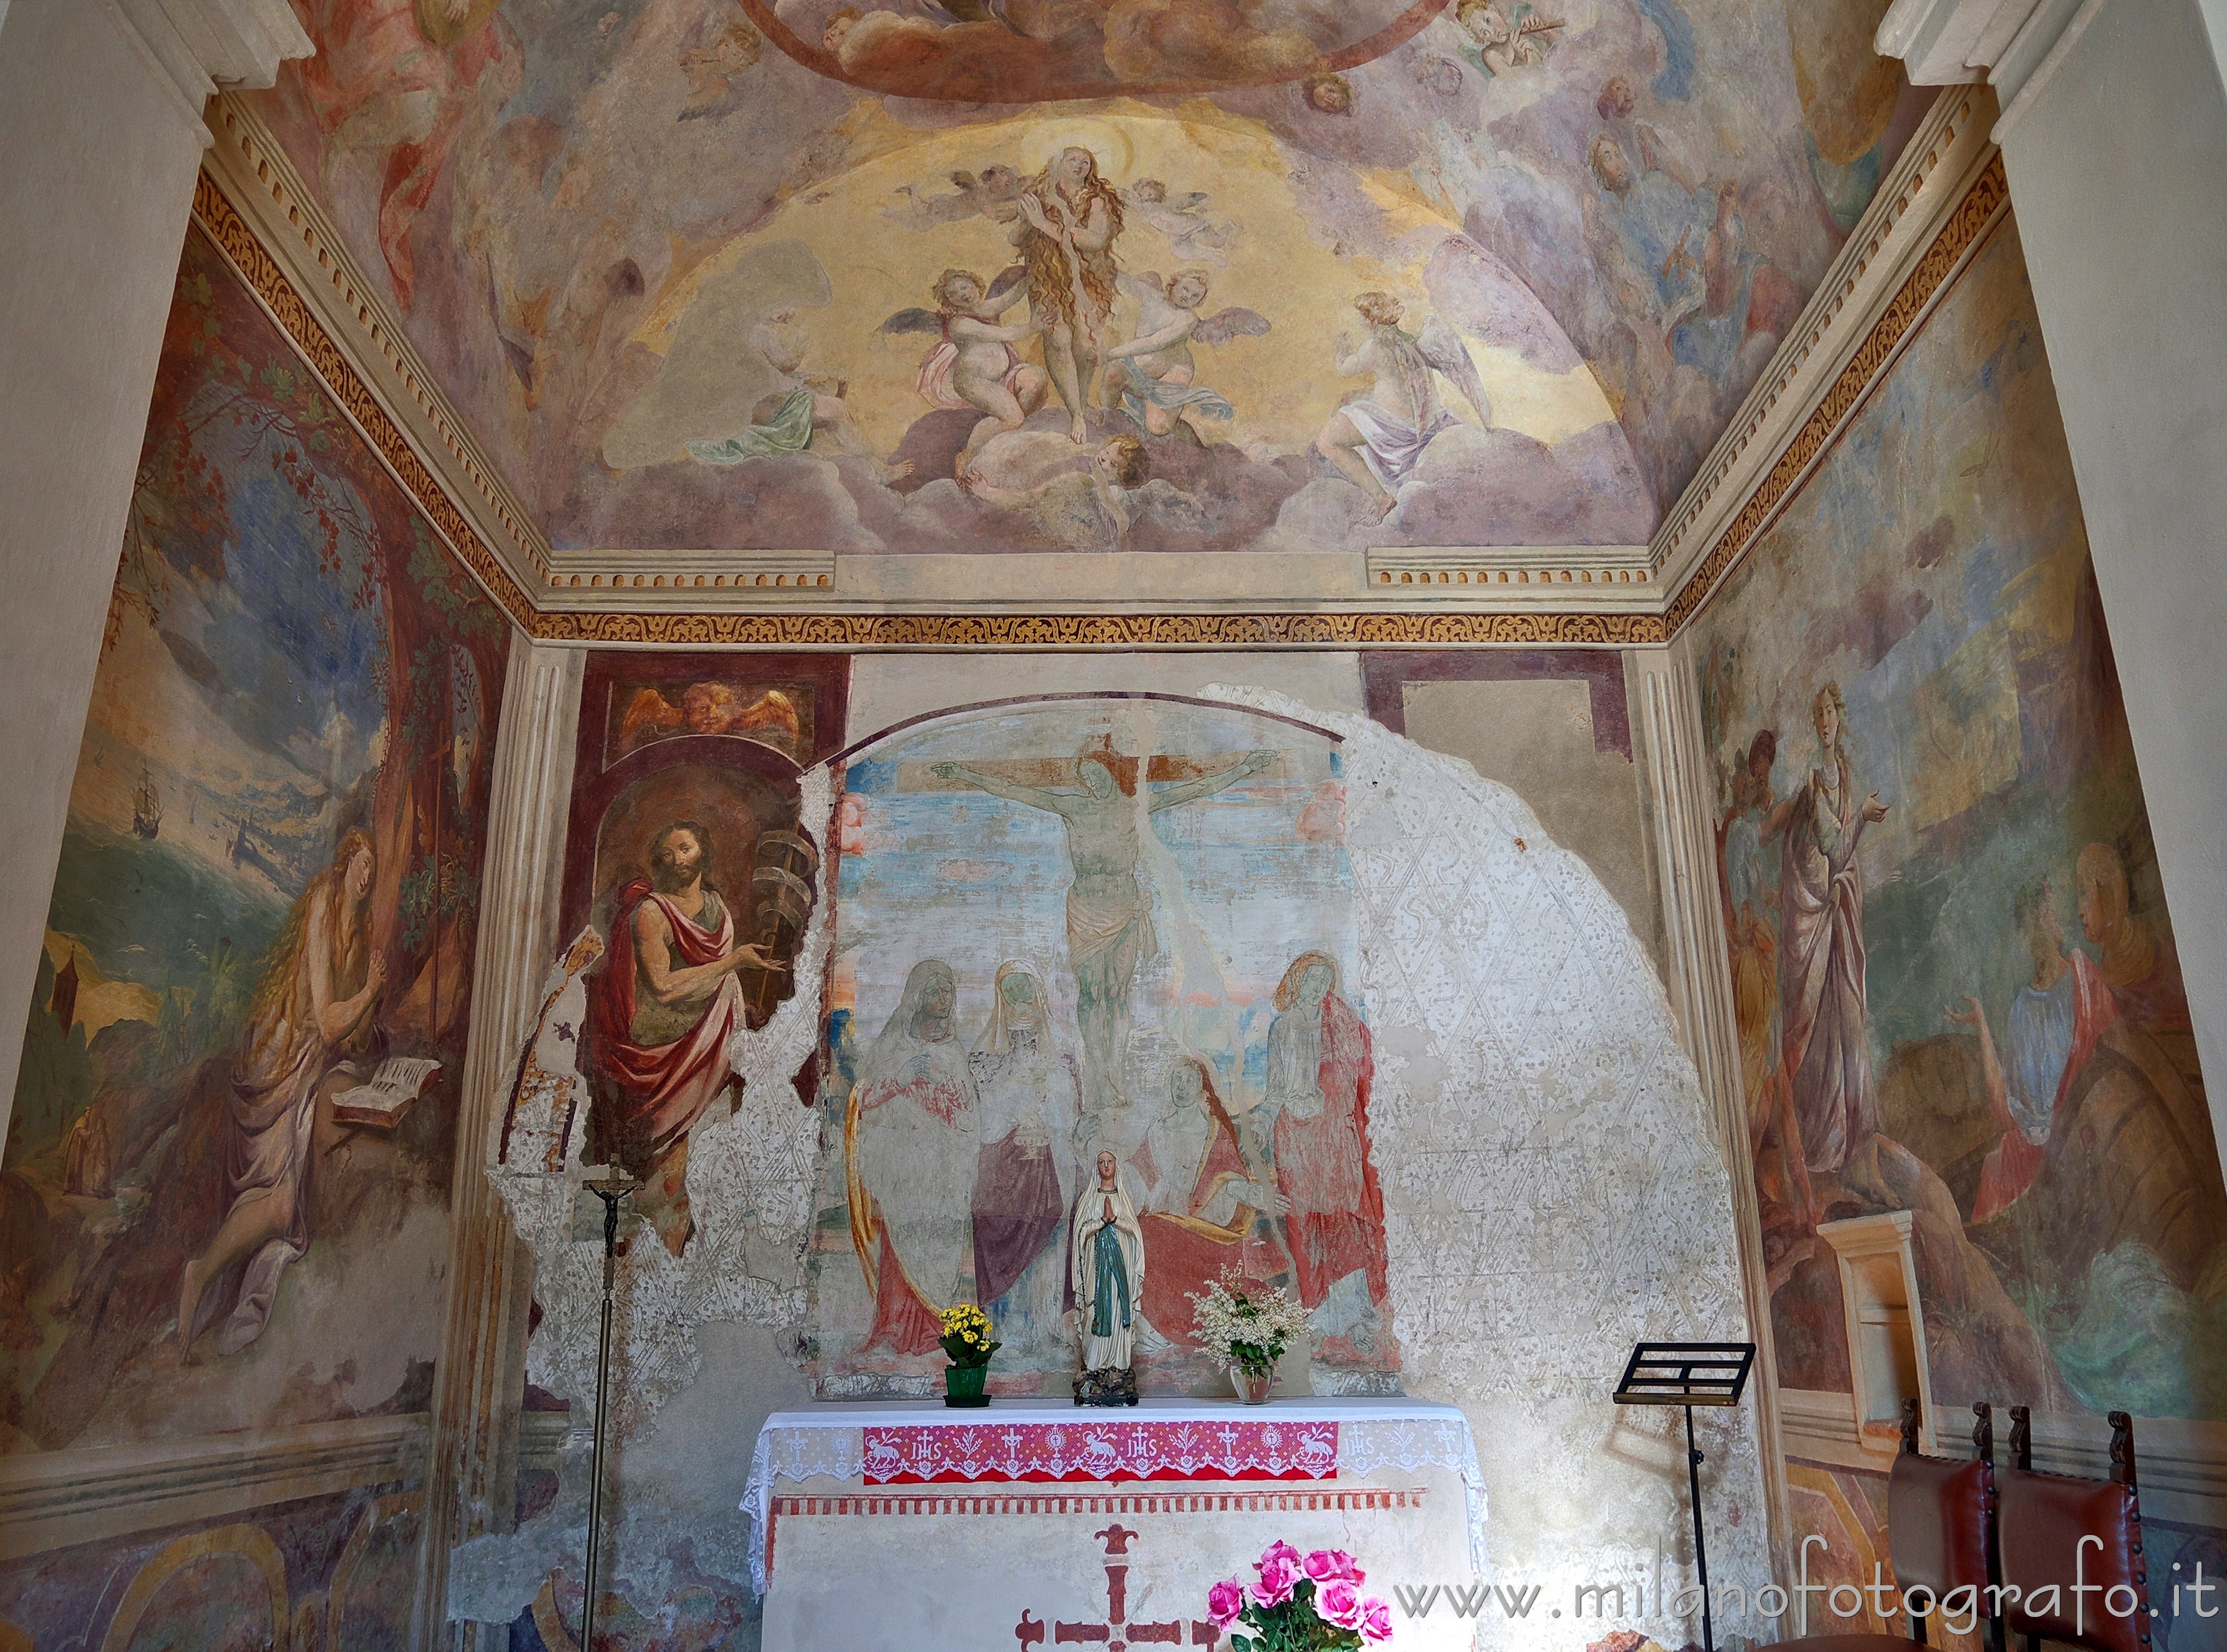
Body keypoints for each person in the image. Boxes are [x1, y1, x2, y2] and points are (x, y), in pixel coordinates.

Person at [929, 741, 1274, 1125]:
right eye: (1086, 776)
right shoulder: (1073, 807)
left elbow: (1191, 790)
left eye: (1099, 774)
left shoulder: (1132, 808)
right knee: (1092, 993)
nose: (1093, 782)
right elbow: (1019, 792)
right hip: (1086, 910)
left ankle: (1116, 1074)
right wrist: (965, 774)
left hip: (1123, 907)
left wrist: (1243, 770)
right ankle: (1097, 1079)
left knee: (1116, 994)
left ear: (1113, 774)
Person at [178, 831, 387, 1356]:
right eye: (363, 864)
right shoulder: (322, 904)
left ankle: (204, 1276)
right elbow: (328, 1021)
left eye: (373, 869)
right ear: (345, 865)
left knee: (285, 1203)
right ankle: (199, 1273)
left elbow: (351, 1032)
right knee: (278, 1207)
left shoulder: (357, 931)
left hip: (310, 1063)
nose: (368, 876)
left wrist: (369, 1008)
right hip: (278, 1060)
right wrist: (369, 994)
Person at [587, 821, 785, 1255]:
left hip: (715, 1039)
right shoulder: (652, 912)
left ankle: (693, 1258)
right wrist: (733, 962)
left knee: (709, 1157)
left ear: (703, 852)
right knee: (668, 1168)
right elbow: (661, 987)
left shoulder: (717, 908)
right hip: (663, 1047)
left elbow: (716, 980)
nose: (677, 859)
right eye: (667, 852)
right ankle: (657, 1258)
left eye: (685, 848)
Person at [1761, 682, 1889, 1218]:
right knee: (1818, 1031)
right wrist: (1859, 816)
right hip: (1818, 919)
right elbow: (1834, 848)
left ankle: (1859, 1151)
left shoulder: (1846, 777)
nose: (1824, 722)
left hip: (1841, 914)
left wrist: (1855, 817)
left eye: (1830, 712)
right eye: (1817, 715)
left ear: (1841, 716)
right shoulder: (1814, 786)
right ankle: (1823, 1147)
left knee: (1850, 1023)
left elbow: (1842, 856)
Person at [1948, 880, 2119, 1222]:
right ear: (2026, 932)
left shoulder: (2083, 980)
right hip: (2034, 1153)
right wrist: (1981, 1022)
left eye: (2048, 912)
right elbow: (2009, 1108)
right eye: (2036, 917)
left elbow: (2114, 1063)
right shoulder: (2021, 1011)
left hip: (2084, 1136)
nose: (2046, 922)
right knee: (1995, 1168)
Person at [847, 959, 979, 1356]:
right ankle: (892, 1326)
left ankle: (932, 1329)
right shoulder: (893, 1047)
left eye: (948, 993)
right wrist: (901, 1079)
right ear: (917, 997)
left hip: (942, 1174)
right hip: (903, 1172)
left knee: (938, 1249)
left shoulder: (954, 1051)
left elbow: (968, 1119)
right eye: (936, 992)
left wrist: (946, 1096)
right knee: (899, 1250)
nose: (943, 1000)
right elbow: (863, 1103)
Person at [1260, 953, 1391, 1349]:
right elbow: (1276, 1089)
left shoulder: (1338, 1025)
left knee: (1341, 1221)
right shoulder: (1282, 1028)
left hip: (1333, 1134)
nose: (1317, 988)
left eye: (1324, 981)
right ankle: (1316, 1316)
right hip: (1295, 1136)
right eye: (1311, 979)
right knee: (1303, 1223)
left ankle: (1353, 1316)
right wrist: (1259, 1135)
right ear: (1296, 981)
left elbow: (1360, 1074)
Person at [967, 962, 1083, 1351]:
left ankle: (1046, 1325)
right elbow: (979, 1115)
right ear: (1001, 998)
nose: (1019, 1000)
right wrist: (1016, 1110)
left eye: (1025, 990)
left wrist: (1045, 1121)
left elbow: (1070, 1108)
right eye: (1011, 991)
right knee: (997, 1232)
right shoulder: (985, 1054)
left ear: (1039, 994)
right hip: (1003, 1165)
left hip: (1050, 1164)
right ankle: (1006, 1331)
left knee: (1049, 1240)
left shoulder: (1060, 1049)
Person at [1134, 1057, 1283, 1346]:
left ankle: (1175, 1326)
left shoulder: (1213, 1131)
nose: (1182, 1087)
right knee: (1144, 1234)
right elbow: (1139, 1175)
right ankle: (1155, 1326)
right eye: (1177, 1080)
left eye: (1190, 1081)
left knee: (1154, 1236)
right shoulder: (1157, 1130)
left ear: (1202, 1087)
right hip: (1165, 1217)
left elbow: (1229, 1178)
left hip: (1205, 1225)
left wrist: (1255, 1194)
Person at [1010, 146, 1125, 442]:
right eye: (1073, 159)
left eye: (1086, 161)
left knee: (1086, 348)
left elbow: (1096, 241)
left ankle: (1083, 401)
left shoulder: (1098, 201)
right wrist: (1025, 220)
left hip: (1089, 278)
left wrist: (1043, 225)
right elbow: (1017, 238)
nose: (1080, 165)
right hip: (1047, 277)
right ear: (1058, 164)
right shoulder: (1040, 197)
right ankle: (1075, 413)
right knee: (1058, 338)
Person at [908, 268, 1049, 479]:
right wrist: (1035, 326)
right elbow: (1005, 333)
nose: (962, 294)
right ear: (949, 302)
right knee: (1013, 418)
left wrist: (1035, 272)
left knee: (1036, 380)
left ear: (975, 285)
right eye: (953, 294)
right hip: (973, 382)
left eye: (964, 287)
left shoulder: (986, 308)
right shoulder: (960, 324)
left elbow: (1012, 296)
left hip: (1000, 377)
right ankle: (967, 455)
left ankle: (1007, 437)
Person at [962, 434, 1149, 550]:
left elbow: (1032, 499)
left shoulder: (1103, 489)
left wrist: (987, 492)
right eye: (1107, 453)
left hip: (1070, 534)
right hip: (1063, 524)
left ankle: (987, 493)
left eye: (1112, 463)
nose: (1104, 459)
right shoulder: (1083, 475)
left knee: (1030, 503)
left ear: (1121, 476)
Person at [1070, 1147, 1144, 1375]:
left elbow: (1135, 1232)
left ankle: (1118, 1365)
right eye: (1101, 1162)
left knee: (1119, 1308)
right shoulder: (1089, 1198)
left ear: (1116, 1166)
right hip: (1096, 1266)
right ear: (1096, 1168)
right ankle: (1094, 1364)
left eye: (1109, 1161)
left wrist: (1116, 1220)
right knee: (1094, 1308)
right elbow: (1080, 1235)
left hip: (1121, 1265)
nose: (1106, 1166)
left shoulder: (1124, 1199)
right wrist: (1102, 1221)